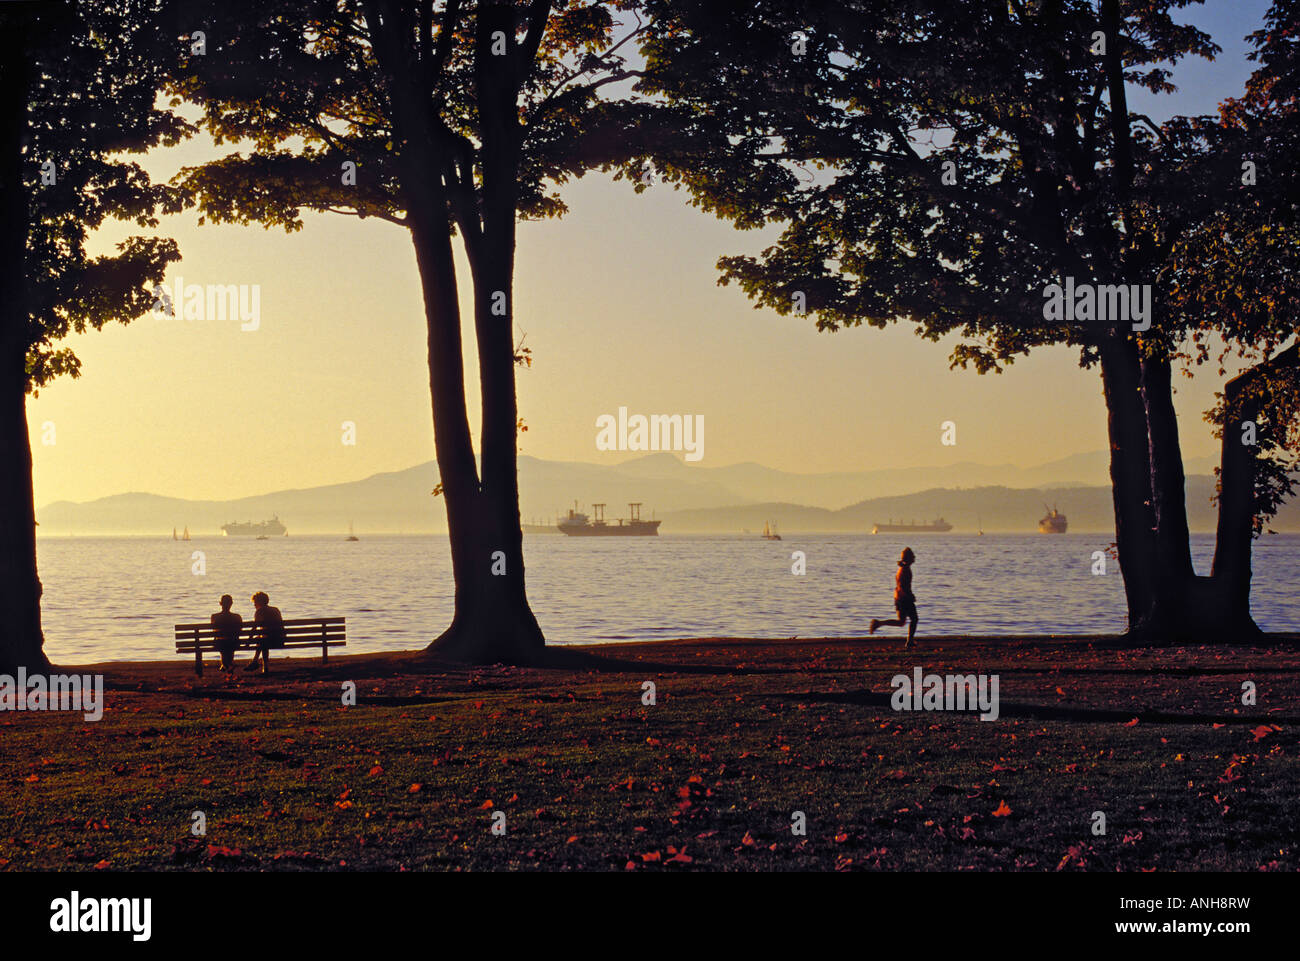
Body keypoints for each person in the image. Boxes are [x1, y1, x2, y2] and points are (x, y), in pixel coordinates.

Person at [869, 547, 918, 648]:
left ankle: (878, 623)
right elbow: (903, 586)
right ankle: (910, 642)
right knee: (914, 619)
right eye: (912, 556)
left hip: (899, 598)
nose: (914, 558)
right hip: (904, 598)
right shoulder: (905, 570)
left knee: (901, 622)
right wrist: (910, 595)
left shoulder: (903, 569)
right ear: (908, 559)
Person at [246, 591, 286, 674]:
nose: (254, 605)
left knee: (262, 641)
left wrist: (248, 641)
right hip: (281, 639)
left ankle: (261, 665)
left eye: (255, 602)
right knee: (262, 639)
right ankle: (257, 663)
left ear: (259, 602)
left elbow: (254, 628)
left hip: (268, 641)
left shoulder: (259, 611)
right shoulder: (275, 609)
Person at [210, 595, 243, 672]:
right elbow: (240, 632)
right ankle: (227, 664)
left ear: (220, 603)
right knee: (230, 641)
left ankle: (225, 665)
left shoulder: (214, 616)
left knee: (222, 641)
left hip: (219, 643)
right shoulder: (237, 617)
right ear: (231, 603)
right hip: (234, 643)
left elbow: (214, 631)